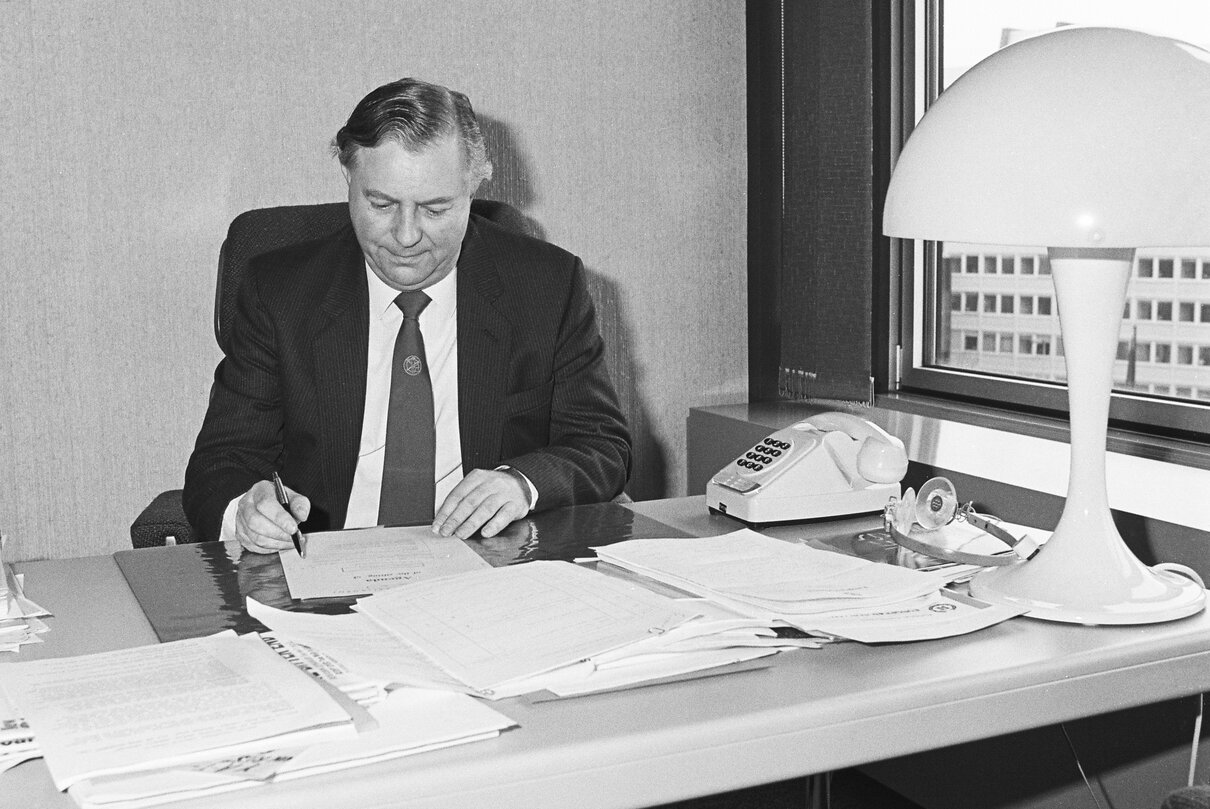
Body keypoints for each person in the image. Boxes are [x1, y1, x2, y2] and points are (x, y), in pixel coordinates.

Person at [183, 77, 631, 554]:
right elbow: (220, 462)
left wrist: (523, 484)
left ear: (474, 187)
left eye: (435, 208)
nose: (406, 235)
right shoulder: (280, 292)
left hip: (487, 570)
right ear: (348, 179)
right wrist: (245, 512)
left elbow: (601, 445)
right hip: (323, 569)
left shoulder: (546, 286)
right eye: (381, 204)